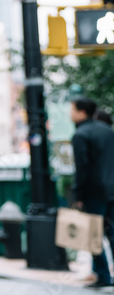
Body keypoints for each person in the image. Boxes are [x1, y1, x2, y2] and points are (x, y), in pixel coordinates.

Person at [70, 97, 114, 289]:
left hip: (94, 192)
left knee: (93, 236)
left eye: (71, 109)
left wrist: (78, 196)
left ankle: (103, 275)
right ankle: (103, 274)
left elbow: (82, 169)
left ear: (81, 112)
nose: (69, 113)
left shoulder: (81, 134)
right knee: (112, 234)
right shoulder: (107, 131)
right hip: (112, 189)